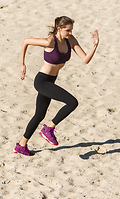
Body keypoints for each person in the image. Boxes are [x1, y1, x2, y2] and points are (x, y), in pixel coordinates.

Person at [14, 16, 99, 156]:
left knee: (39, 115)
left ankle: (21, 145)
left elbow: (85, 59)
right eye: (68, 30)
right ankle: (49, 128)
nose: (70, 33)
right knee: (72, 102)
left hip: (51, 81)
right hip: (42, 81)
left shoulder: (70, 40)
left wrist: (94, 45)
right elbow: (26, 41)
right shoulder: (49, 42)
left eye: (71, 30)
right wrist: (22, 64)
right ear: (59, 29)